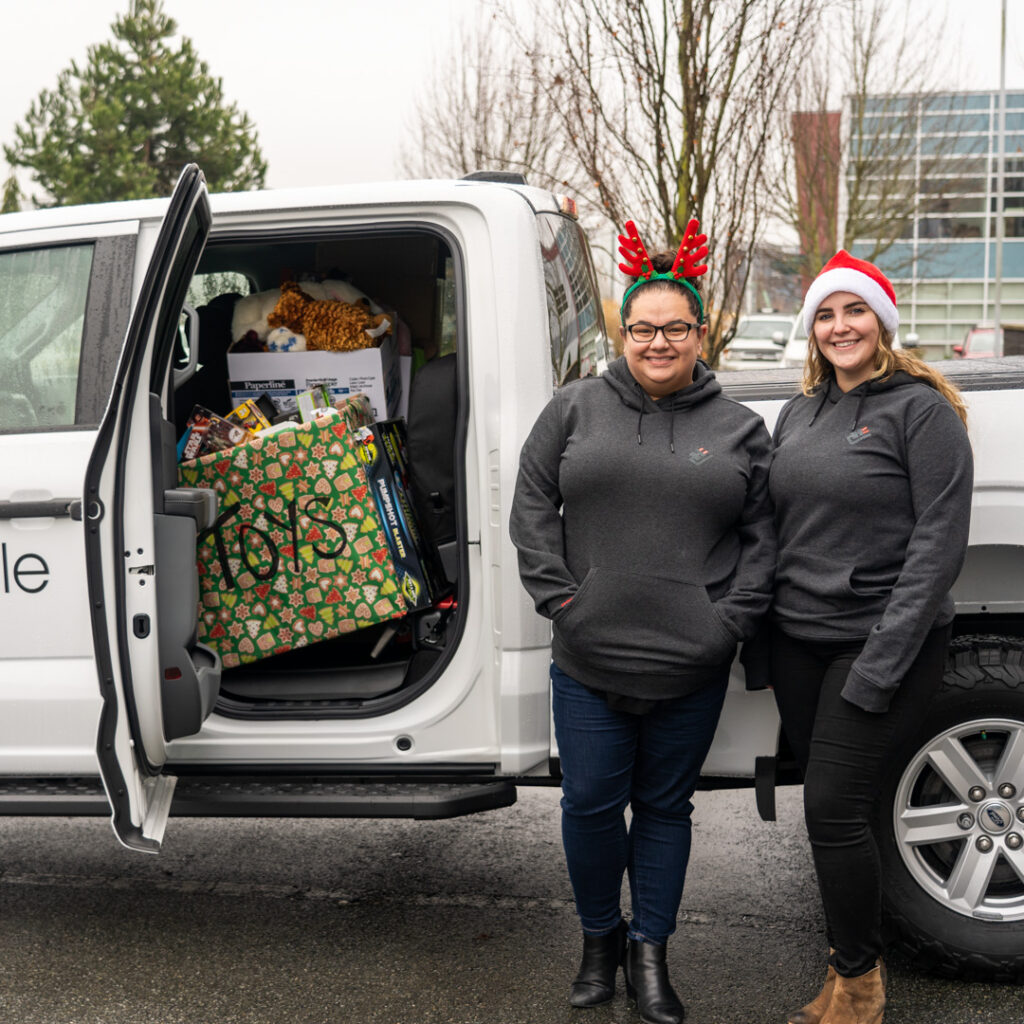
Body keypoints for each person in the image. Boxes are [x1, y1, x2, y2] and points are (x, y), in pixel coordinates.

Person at [509, 219, 774, 1024]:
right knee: (588, 805)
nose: (659, 342)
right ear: (624, 332)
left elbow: (765, 539)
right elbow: (529, 506)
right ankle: (600, 940)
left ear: (701, 333)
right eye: (644, 328)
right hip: (588, 658)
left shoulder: (739, 429)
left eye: (676, 328)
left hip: (689, 663)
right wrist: (560, 600)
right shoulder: (574, 408)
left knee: (666, 810)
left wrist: (726, 624)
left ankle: (650, 953)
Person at [769, 251, 973, 1024]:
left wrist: (881, 663)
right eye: (825, 313)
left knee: (830, 806)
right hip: (799, 643)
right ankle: (840, 970)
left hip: (879, 642)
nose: (839, 326)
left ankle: (860, 987)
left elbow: (938, 546)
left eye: (854, 311)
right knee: (834, 815)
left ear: (881, 322)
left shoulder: (921, 411)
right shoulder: (800, 411)